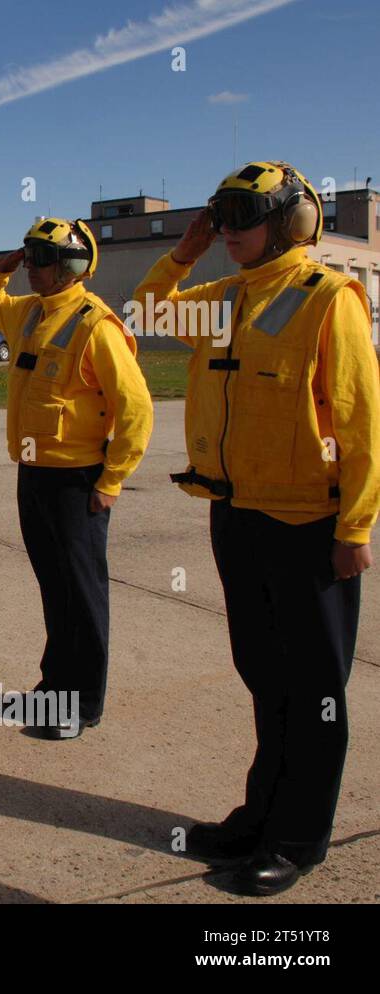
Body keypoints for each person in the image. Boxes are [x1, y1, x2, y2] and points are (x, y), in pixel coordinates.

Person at [133, 161, 378, 895]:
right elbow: (145, 316)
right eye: (225, 216)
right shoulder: (225, 297)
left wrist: (356, 527)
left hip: (308, 523)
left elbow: (363, 423)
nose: (231, 229)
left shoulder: (327, 298)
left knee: (313, 689)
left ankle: (300, 837)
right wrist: (184, 250)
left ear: (291, 220)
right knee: (265, 677)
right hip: (235, 513)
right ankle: (260, 815)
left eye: (245, 215)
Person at [0, 218, 152, 738]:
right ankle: (53, 691)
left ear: (72, 266)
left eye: (42, 258)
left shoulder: (95, 325)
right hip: (35, 475)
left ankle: (83, 704)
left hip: (78, 482)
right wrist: (1, 267)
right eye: (30, 257)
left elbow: (136, 408)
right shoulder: (30, 313)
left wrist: (111, 480)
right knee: (55, 590)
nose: (32, 267)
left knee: (81, 593)